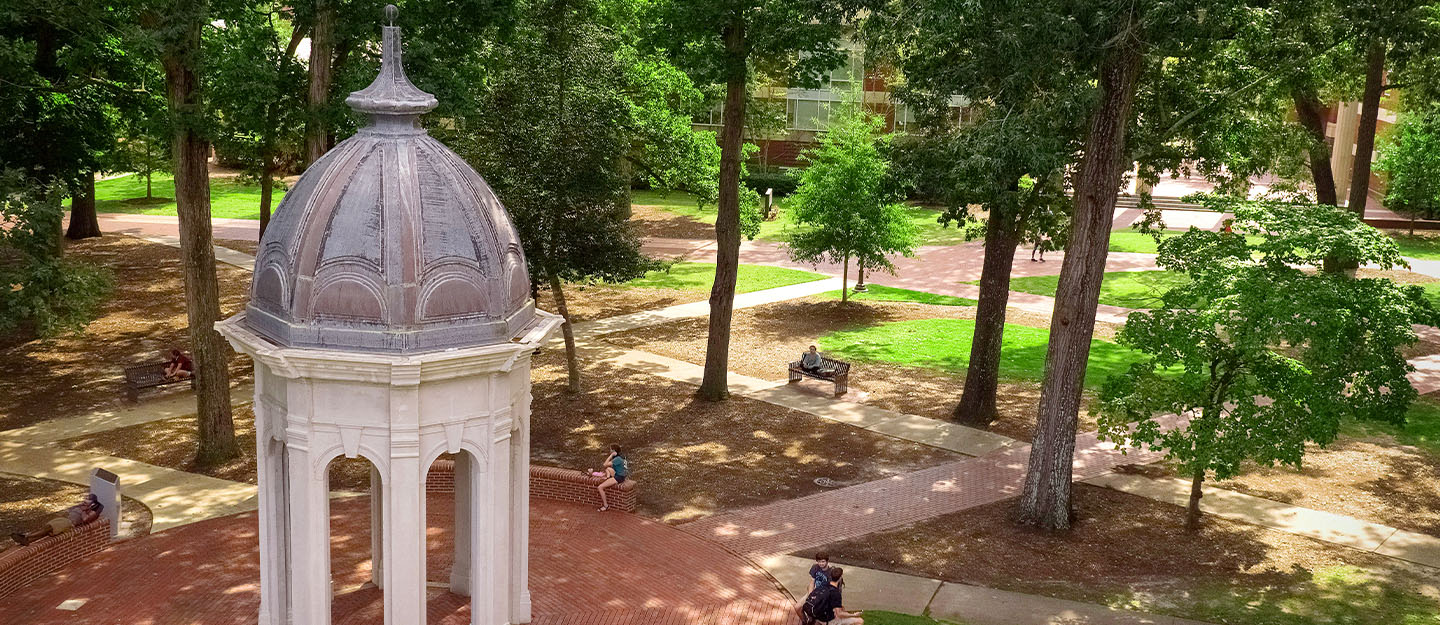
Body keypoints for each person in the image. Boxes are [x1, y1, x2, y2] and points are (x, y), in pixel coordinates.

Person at [11, 494, 103, 546]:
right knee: (46, 529)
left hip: (69, 523)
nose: (85, 500)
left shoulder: (88, 511)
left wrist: (84, 510)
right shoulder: (80, 506)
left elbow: (85, 520)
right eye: (85, 498)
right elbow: (69, 510)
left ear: (92, 503)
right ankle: (29, 541)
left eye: (88, 499)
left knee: (49, 528)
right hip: (63, 519)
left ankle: (26, 536)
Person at [798, 566, 863, 625]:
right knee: (859, 621)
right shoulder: (835, 593)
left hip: (815, 614)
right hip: (826, 620)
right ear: (840, 577)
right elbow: (839, 614)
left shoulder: (823, 585)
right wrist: (854, 615)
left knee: (842, 608)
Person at [595, 445, 629, 512]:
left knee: (600, 487)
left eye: (611, 450)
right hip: (622, 475)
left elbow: (605, 464)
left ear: (614, 451)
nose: (609, 451)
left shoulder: (617, 459)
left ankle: (605, 506)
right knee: (608, 469)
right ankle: (608, 478)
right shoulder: (621, 457)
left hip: (619, 477)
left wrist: (610, 456)